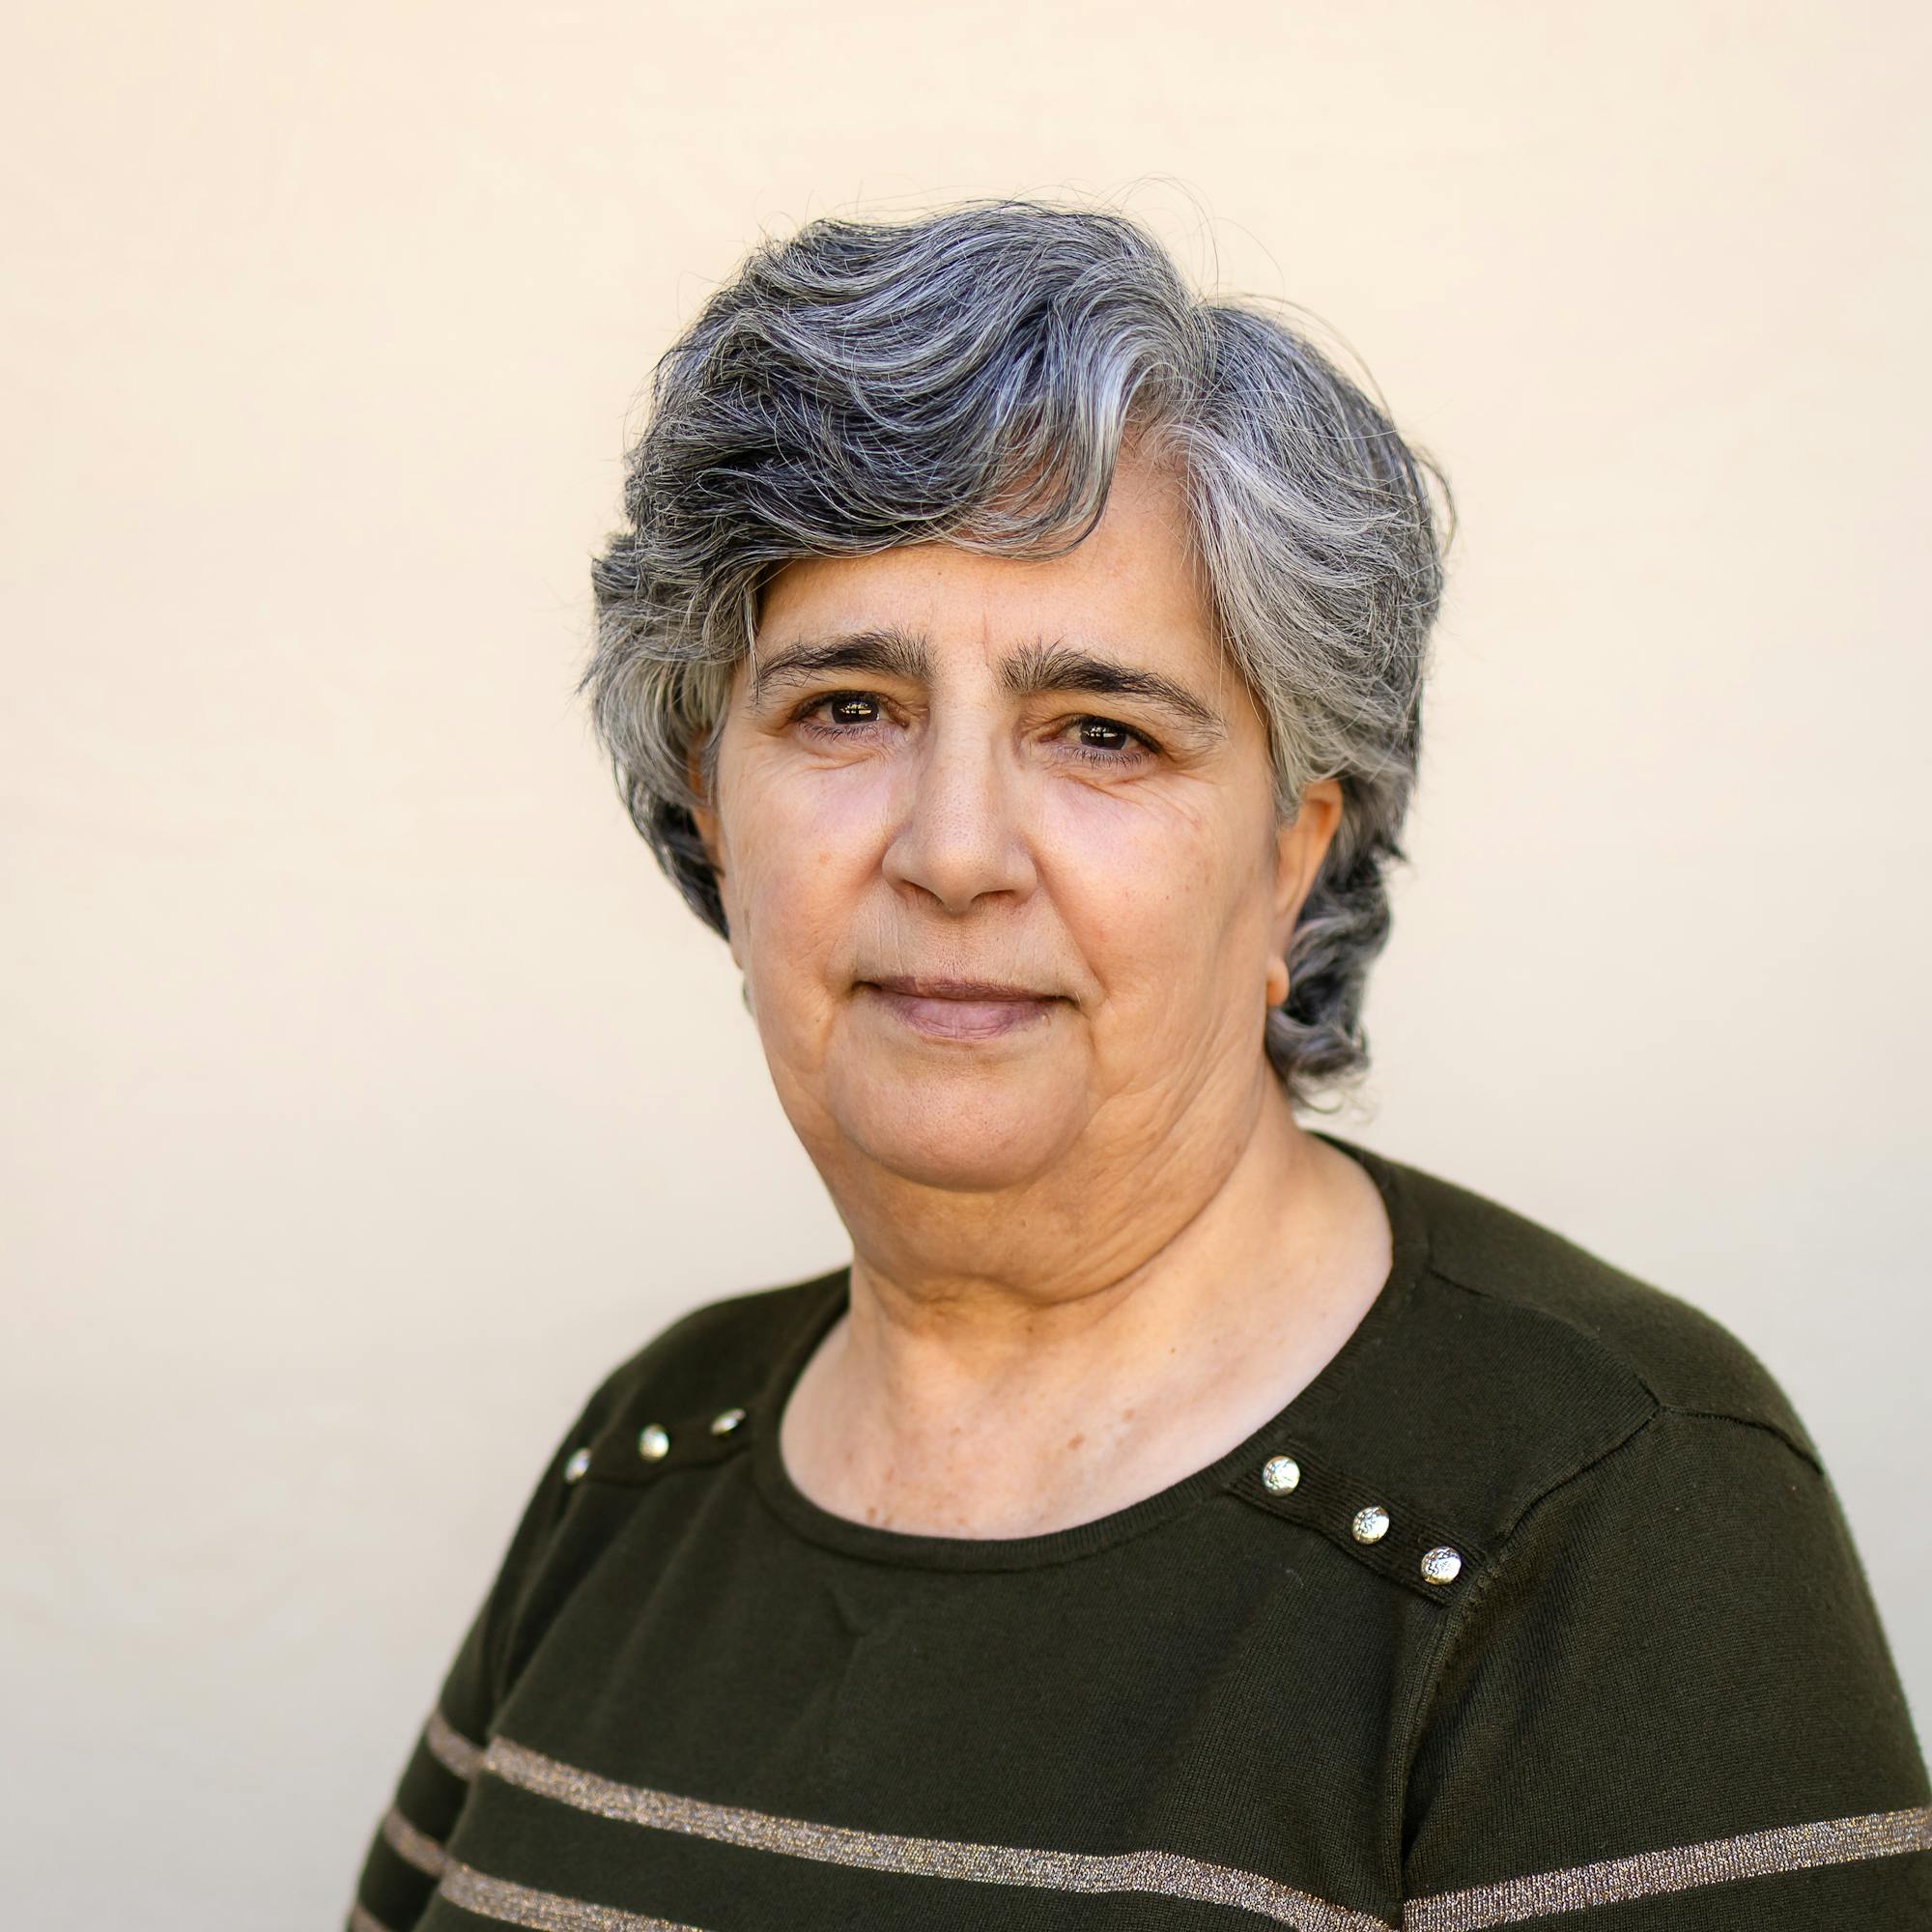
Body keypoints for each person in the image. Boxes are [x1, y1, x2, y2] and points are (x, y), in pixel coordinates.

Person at [345, 199, 1929, 1931]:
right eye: (846, 709)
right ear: (712, 810)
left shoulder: (1612, 1507)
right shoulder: (651, 1451)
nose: (955, 850)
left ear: (1293, 856)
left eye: (1100, 731)